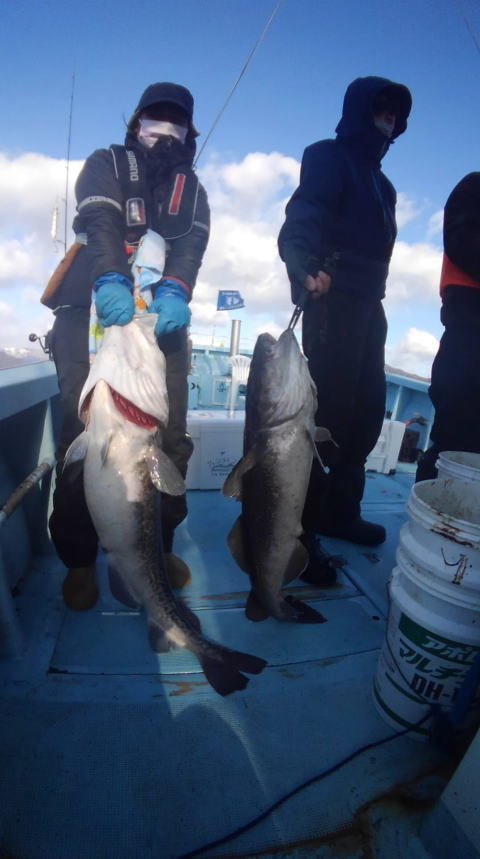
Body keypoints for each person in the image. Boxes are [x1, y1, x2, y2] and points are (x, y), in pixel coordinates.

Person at [43, 82, 210, 609]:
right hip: (94, 306)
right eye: (156, 117)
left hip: (161, 323)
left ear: (189, 130)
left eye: (176, 120)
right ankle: (78, 559)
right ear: (136, 121)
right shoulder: (106, 163)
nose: (165, 128)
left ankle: (156, 547)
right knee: (82, 439)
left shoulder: (194, 189)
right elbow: (99, 219)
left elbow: (191, 249)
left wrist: (177, 293)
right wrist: (111, 277)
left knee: (171, 440)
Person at [278, 76, 412, 581]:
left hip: (369, 308)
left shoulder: (384, 185)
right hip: (330, 299)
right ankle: (298, 534)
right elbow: (303, 215)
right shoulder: (326, 156)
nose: (389, 121)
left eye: (395, 116)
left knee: (365, 418)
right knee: (325, 425)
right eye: (381, 111)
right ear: (359, 111)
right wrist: (302, 265)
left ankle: (339, 512)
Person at [416, 172, 480, 482]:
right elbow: (462, 242)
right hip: (468, 322)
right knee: (454, 430)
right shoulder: (473, 187)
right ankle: (431, 519)